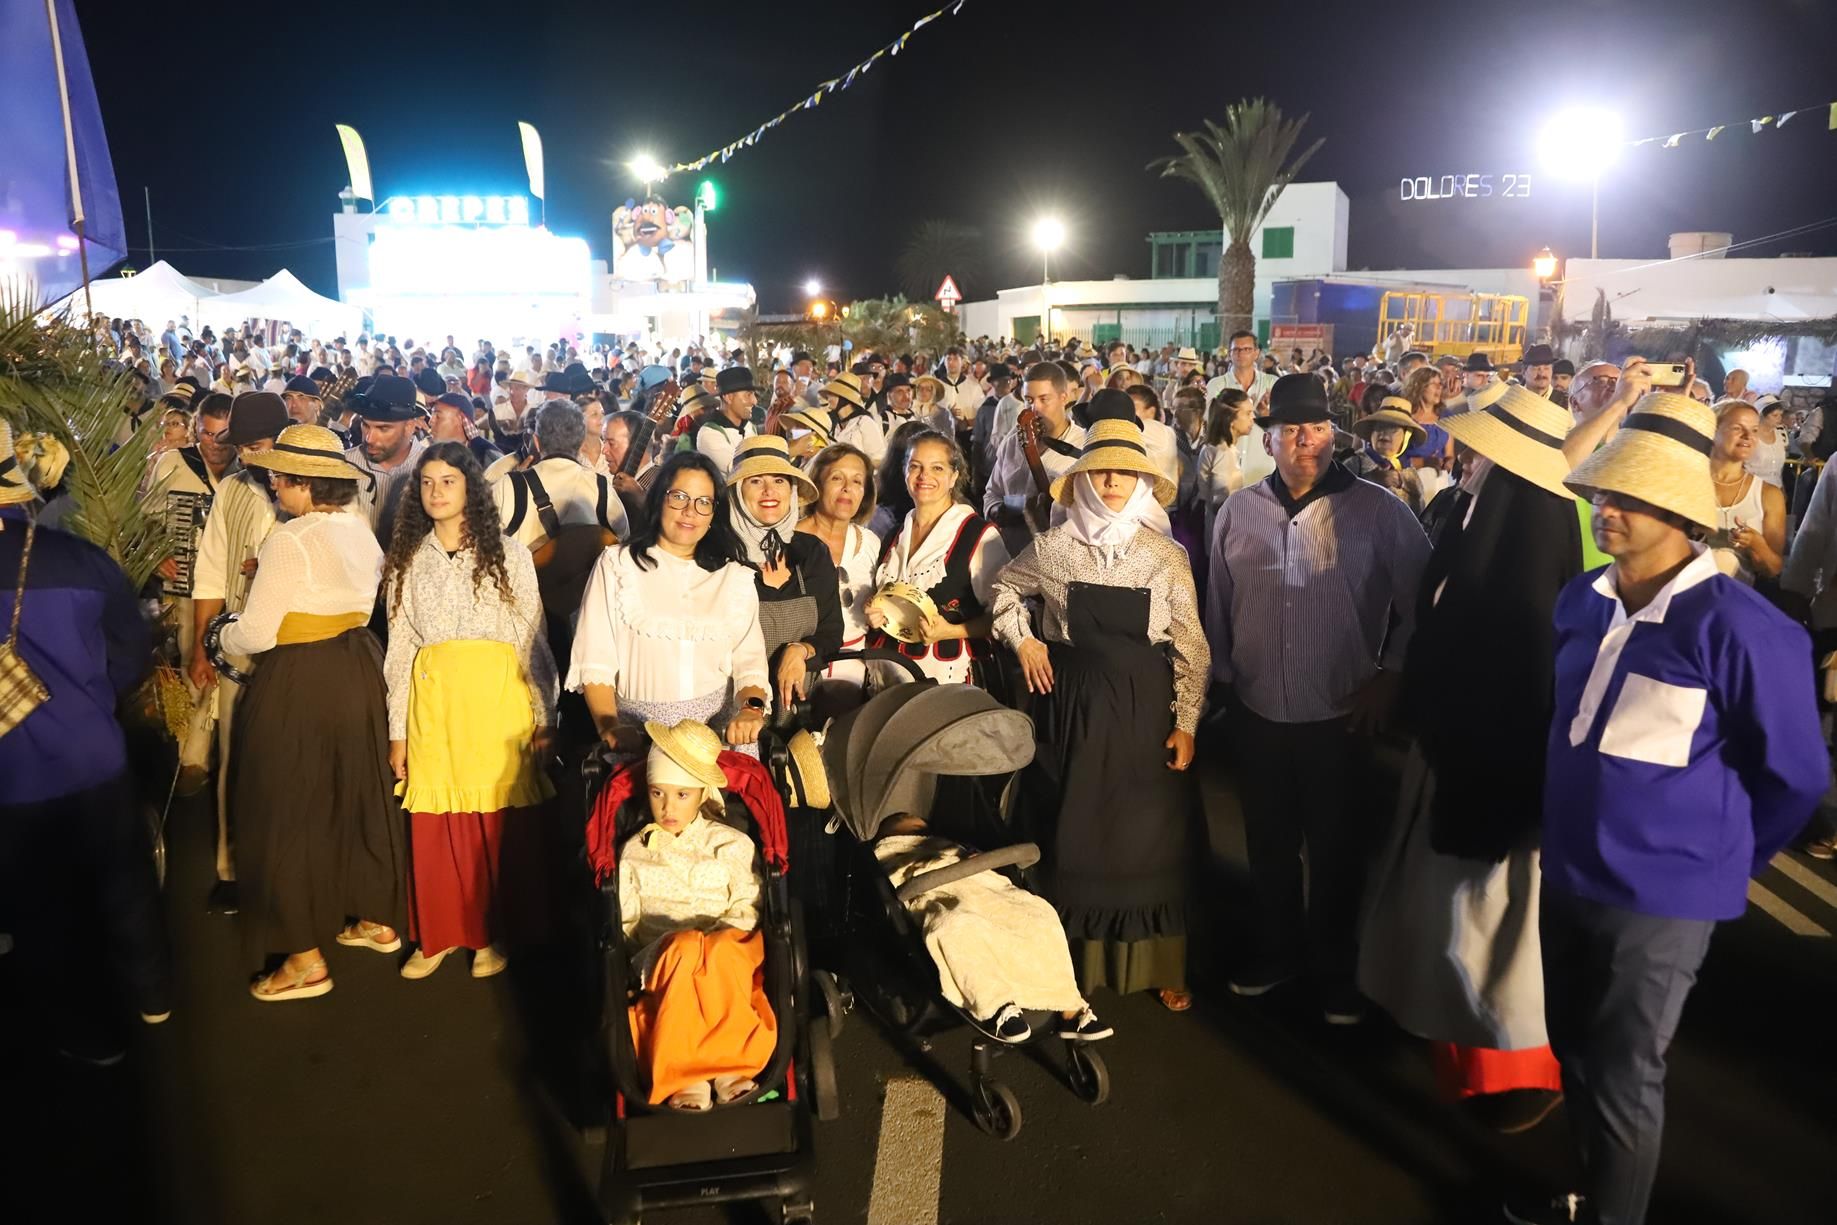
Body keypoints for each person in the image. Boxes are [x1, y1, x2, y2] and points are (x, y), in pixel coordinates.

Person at [1507, 392, 1825, 1225]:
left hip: (1659, 900)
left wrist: (1723, 862)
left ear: (1681, 510)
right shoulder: (1581, 598)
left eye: (1630, 495)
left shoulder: (1742, 626)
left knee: (1623, 1074)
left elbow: (1795, 776)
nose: (1606, 508)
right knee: (1575, 1048)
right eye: (1603, 491)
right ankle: (1590, 1192)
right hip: (1568, 871)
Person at [1359, 385, 1580, 1135]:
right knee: (1453, 914)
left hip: (1494, 767)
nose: (1464, 454)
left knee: (1489, 923)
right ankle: (1457, 1042)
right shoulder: (1472, 508)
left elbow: (1520, 660)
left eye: (1481, 447)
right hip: (1454, 749)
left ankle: (1517, 1068)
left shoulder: (1528, 526)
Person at [1206, 374, 1430, 1023]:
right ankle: (1277, 952)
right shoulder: (1238, 511)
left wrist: (1391, 672)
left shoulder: (1379, 511)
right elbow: (1218, 603)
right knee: (1268, 843)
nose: (1305, 439)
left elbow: (1424, 599)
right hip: (1256, 709)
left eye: (1318, 427)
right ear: (1267, 439)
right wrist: (1224, 681)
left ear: (1334, 435)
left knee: (1336, 850)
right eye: (1291, 429)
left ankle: (1336, 969)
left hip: (1339, 711)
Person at [990, 420, 1209, 1010]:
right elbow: (1004, 594)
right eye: (1101, 469)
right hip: (1071, 711)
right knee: (1073, 831)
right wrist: (1025, 641)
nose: (1112, 480)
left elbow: (1191, 644)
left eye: (1125, 471)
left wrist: (1187, 721)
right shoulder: (1052, 548)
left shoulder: (1166, 556)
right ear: (1083, 479)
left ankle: (1160, 964)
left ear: (1142, 481)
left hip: (1145, 713)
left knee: (1150, 837)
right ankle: (1064, 970)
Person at [0, 422, 170, 1057]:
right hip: (92, 756)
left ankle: (85, 1032)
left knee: (40, 905)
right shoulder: (82, 560)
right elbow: (130, 654)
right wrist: (89, 699)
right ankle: (153, 996)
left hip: (11, 777)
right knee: (122, 882)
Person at [219, 425, 406, 1001]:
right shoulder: (358, 529)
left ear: (304, 482)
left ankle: (304, 959)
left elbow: (256, 632)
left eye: (280, 477)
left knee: (287, 806)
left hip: (300, 677)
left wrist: (222, 634)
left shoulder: (289, 539)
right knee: (358, 794)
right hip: (360, 668)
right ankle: (375, 917)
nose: (273, 485)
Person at [382, 443, 557, 981]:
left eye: (448, 481)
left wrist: (545, 716)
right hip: (433, 703)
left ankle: (491, 933)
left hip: (497, 702)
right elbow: (400, 647)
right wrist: (397, 730)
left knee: (494, 827)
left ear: (470, 488)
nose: (436, 492)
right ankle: (438, 934)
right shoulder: (407, 560)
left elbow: (532, 638)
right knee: (436, 826)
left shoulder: (510, 553)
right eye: (427, 482)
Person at [619, 720, 775, 1110]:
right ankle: (685, 1074)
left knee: (716, 951)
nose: (668, 807)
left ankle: (729, 1068)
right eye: (657, 793)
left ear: (702, 793)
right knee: (684, 948)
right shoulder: (634, 851)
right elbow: (627, 920)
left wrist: (714, 941)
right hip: (663, 953)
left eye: (681, 795)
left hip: (729, 944)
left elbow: (748, 902)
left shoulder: (731, 843)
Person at [568, 452, 770, 753]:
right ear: (658, 500)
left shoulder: (734, 577)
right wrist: (609, 727)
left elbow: (750, 662)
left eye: (703, 502)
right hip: (638, 741)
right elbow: (595, 659)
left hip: (717, 741)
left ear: (714, 514)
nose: (690, 511)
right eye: (679, 497)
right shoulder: (617, 565)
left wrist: (750, 711)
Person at [875, 813, 1112, 1042]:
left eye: (924, 828)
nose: (923, 831)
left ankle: (1070, 1008)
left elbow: (980, 866)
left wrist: (972, 858)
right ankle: (996, 1005)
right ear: (893, 834)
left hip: (984, 892)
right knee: (955, 926)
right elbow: (896, 877)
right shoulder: (891, 851)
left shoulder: (948, 844)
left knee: (1040, 915)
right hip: (941, 895)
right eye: (915, 828)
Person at [187, 390, 290, 913]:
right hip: (237, 648)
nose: (246, 455)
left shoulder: (319, 487)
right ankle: (231, 869)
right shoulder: (232, 489)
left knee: (292, 763)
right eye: (242, 446)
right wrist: (201, 647)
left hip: (297, 650)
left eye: (256, 445)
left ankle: (290, 872)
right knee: (233, 756)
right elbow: (208, 572)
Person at [867, 431, 1011, 688]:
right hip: (890, 677)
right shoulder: (895, 535)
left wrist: (951, 631)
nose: (924, 476)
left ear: (954, 476)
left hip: (950, 680)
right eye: (915, 466)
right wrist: (875, 613)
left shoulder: (978, 535)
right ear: (905, 472)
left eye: (937, 468)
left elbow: (1005, 614)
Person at [725, 436, 842, 712]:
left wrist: (801, 649)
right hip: (734, 713)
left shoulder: (812, 552)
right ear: (738, 492)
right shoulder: (719, 557)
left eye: (779, 480)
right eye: (756, 481)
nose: (769, 491)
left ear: (791, 490)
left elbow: (831, 633)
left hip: (801, 711)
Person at [796, 443, 880, 699]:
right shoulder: (789, 541)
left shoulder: (870, 543)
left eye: (857, 481)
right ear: (817, 484)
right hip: (801, 669)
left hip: (856, 669)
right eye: (836, 478)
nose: (847, 488)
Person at [983, 362, 1086, 556]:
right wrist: (999, 510)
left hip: (1061, 557)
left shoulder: (1084, 446)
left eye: (1043, 399)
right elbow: (992, 493)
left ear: (1063, 397)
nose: (1034, 408)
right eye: (1029, 400)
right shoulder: (1012, 443)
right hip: (1011, 553)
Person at [1705, 401, 1786, 585]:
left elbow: (1773, 568)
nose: (1748, 436)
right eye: (1737, 428)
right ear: (1712, 430)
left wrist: (1756, 544)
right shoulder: (1686, 482)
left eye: (1754, 430)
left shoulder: (1768, 495)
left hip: (1736, 597)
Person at [344, 373, 428, 542]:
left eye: (383, 429)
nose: (369, 438)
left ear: (409, 427)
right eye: (366, 426)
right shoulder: (343, 466)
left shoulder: (430, 468)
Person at [1198, 388, 1254, 545]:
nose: (1253, 418)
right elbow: (1220, 501)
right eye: (1248, 413)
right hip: (1224, 537)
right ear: (1231, 419)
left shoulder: (1222, 449)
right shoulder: (1223, 453)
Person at [692, 367, 759, 474]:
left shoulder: (749, 427)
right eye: (748, 395)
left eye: (754, 394)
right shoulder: (710, 434)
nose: (754, 401)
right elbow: (741, 470)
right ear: (728, 398)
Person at [1746, 395, 1788, 487]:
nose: (1779, 418)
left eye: (1780, 415)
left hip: (1776, 486)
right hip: (1752, 487)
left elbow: (1779, 471)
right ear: (1762, 415)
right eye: (1775, 415)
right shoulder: (1749, 435)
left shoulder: (1781, 434)